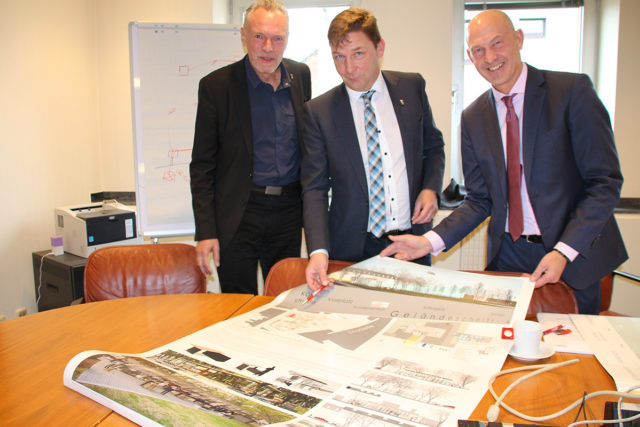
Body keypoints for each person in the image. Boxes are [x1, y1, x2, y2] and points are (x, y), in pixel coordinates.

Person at [380, 10, 627, 314]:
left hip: (574, 253)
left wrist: (563, 251)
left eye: (497, 43)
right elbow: (479, 200)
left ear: (518, 39)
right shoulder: (472, 118)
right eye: (478, 51)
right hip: (509, 254)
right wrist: (428, 242)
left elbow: (604, 183)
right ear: (470, 57)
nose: (489, 57)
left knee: (574, 351)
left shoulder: (571, 92)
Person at [302, 8, 446, 290]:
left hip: (411, 243)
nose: (348, 68)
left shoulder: (412, 88)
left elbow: (434, 146)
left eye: (358, 54)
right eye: (338, 57)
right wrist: (318, 252)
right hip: (353, 248)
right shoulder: (319, 112)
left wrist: (430, 188)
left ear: (379, 48)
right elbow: (314, 188)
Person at [190, 0, 311, 294]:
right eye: (259, 36)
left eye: (277, 38)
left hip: (288, 213)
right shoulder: (216, 86)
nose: (268, 47)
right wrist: (206, 232)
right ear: (244, 36)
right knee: (237, 305)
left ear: (286, 39)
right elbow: (202, 166)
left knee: (286, 302)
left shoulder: (301, 76)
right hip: (238, 214)